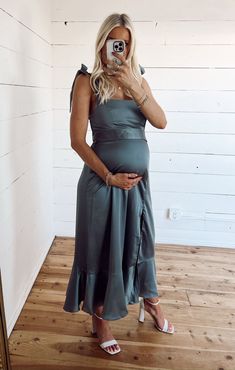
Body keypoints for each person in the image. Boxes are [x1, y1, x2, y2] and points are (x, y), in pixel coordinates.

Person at [63, 12, 174, 355]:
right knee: (101, 250)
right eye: (113, 42)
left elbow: (161, 122)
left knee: (139, 244)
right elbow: (77, 141)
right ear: (102, 42)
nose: (118, 49)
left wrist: (132, 86)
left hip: (137, 186)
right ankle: (100, 318)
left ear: (130, 46)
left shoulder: (138, 80)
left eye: (124, 43)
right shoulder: (87, 81)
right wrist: (110, 177)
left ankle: (150, 301)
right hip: (102, 184)